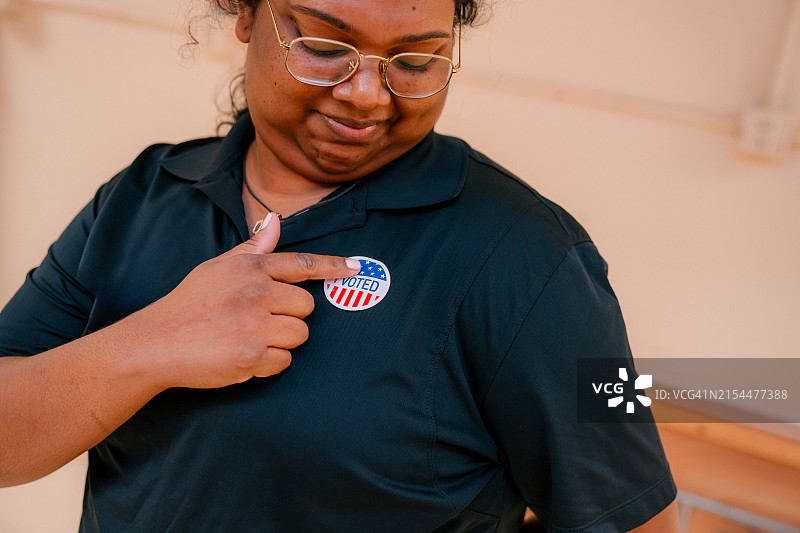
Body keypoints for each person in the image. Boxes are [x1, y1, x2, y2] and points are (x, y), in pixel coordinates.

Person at [0, 0, 679, 530]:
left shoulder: (531, 259)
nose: (366, 93)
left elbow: (636, 520)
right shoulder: (145, 195)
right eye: (325, 46)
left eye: (415, 61)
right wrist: (154, 343)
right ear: (245, 15)